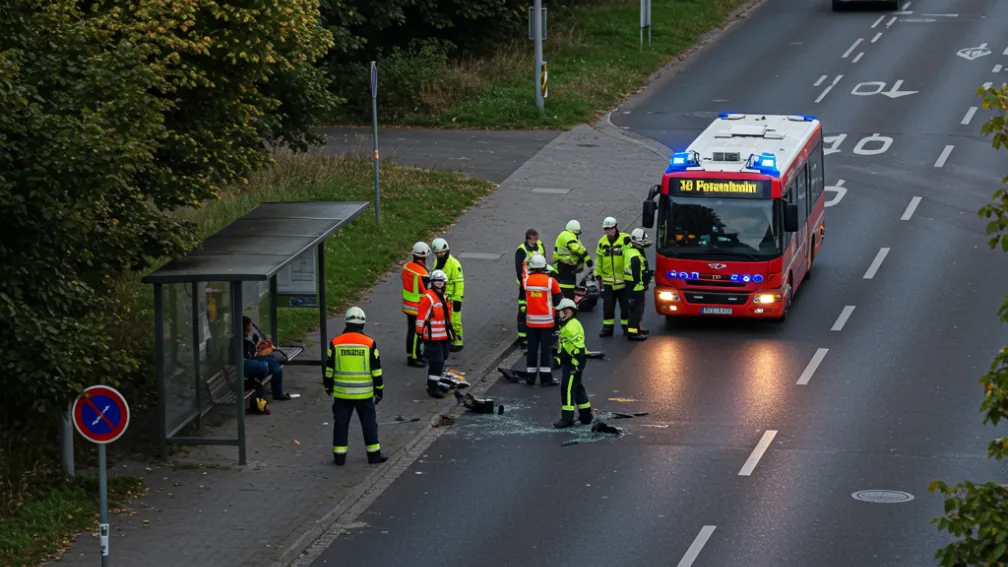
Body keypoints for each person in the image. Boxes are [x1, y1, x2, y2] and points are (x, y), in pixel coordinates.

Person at [324, 307, 388, 466]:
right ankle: (374, 455)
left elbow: (329, 368)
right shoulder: (369, 343)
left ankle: (339, 457)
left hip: (342, 393)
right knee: (369, 424)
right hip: (364, 394)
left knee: (340, 424)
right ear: (363, 323)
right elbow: (376, 371)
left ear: (346, 322)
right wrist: (379, 390)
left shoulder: (335, 342)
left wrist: (328, 385)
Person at [522, 253, 562, 386]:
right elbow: (558, 300)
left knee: (532, 349)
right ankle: (546, 378)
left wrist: (525, 261)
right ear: (544, 266)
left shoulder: (527, 281)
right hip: (547, 322)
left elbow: (522, 274)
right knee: (546, 350)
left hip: (531, 321)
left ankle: (530, 377)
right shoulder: (551, 281)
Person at [553, 298, 593, 428]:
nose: (559, 314)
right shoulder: (571, 323)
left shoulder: (570, 327)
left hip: (573, 362)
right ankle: (586, 415)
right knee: (577, 387)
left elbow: (576, 348)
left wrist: (567, 361)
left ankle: (567, 418)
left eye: (561, 312)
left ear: (568, 312)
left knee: (567, 388)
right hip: (574, 361)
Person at [416, 269, 454, 398]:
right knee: (436, 361)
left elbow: (447, 317)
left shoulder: (444, 297)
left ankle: (437, 383)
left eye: (441, 283)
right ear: (432, 283)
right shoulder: (428, 298)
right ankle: (432, 387)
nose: (439, 285)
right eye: (437, 283)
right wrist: (420, 334)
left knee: (442, 360)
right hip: (432, 337)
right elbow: (421, 318)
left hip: (444, 335)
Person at [594, 216, 632, 337]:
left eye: (611, 229)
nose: (609, 231)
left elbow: (630, 256)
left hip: (623, 281)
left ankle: (626, 327)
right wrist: (598, 275)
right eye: (607, 229)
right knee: (608, 307)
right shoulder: (602, 242)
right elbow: (599, 260)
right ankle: (607, 328)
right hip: (608, 282)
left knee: (625, 307)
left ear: (616, 227)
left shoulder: (625, 240)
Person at [242, 316, 291, 411]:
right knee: (268, 363)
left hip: (255, 358)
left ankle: (278, 392)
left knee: (272, 361)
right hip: (251, 361)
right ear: (246, 326)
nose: (251, 326)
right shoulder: (241, 339)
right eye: (250, 324)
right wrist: (257, 349)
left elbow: (251, 351)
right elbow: (247, 355)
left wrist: (259, 346)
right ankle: (277, 392)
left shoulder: (247, 336)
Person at [432, 238, 465, 352]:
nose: (438, 255)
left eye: (440, 252)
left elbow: (459, 283)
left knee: (454, 320)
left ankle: (458, 342)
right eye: (436, 253)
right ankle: (448, 340)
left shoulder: (454, 264)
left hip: (452, 298)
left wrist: (458, 299)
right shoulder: (437, 261)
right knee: (443, 320)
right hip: (442, 297)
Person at [402, 241, 431, 367]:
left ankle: (413, 354)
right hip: (417, 305)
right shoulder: (422, 272)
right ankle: (414, 357)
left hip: (407, 304)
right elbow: (425, 289)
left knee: (411, 331)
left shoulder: (406, 267)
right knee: (416, 333)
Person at [515, 228, 545, 348]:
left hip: (539, 283)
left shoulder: (540, 245)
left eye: (537, 238)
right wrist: (524, 284)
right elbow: (519, 269)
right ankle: (523, 338)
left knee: (537, 308)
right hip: (526, 285)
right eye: (534, 239)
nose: (536, 241)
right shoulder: (521, 250)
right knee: (523, 309)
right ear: (528, 239)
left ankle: (535, 333)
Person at [624, 228, 653, 341]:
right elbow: (637, 275)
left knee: (634, 310)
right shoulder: (635, 257)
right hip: (636, 287)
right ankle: (633, 333)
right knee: (637, 311)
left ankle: (636, 329)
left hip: (630, 286)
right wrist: (645, 279)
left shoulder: (630, 250)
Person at [552, 220, 593, 300]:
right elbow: (578, 249)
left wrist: (580, 267)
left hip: (569, 266)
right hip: (563, 266)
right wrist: (588, 260)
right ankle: (566, 299)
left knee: (570, 285)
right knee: (566, 286)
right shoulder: (566, 236)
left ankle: (569, 298)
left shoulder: (572, 237)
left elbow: (579, 253)